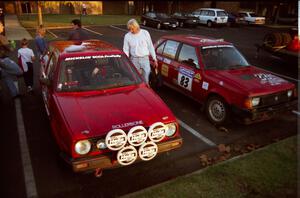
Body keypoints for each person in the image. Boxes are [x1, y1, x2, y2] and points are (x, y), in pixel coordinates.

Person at [123, 19, 158, 84]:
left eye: (132, 29)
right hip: (134, 60)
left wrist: (154, 59)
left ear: (136, 26)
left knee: (146, 79)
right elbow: (126, 50)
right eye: (129, 29)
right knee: (134, 79)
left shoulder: (145, 33)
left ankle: (146, 91)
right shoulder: (127, 36)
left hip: (145, 59)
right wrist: (126, 61)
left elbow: (150, 46)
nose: (131, 30)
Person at [0, 21, 23, 99]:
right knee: (19, 71)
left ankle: (14, 94)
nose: (3, 26)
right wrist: (13, 44)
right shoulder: (1, 37)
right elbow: (10, 49)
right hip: (3, 60)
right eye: (1, 25)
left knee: (7, 77)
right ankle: (14, 73)